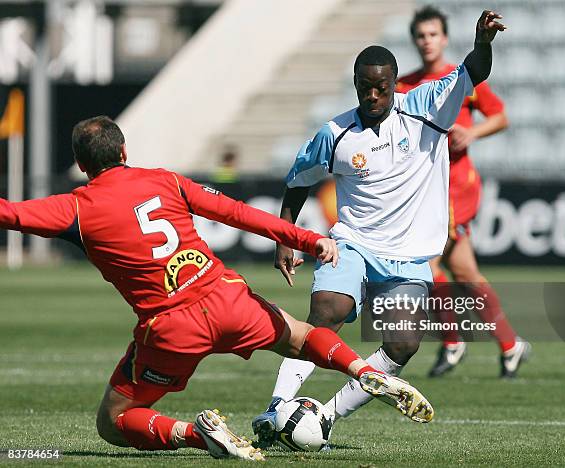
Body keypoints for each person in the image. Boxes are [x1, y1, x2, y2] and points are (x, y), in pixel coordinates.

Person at [0, 116, 437, 461]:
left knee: (114, 421)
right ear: (123, 150)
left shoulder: (73, 207)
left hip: (170, 329)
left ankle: (197, 434)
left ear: (81, 164)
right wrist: (307, 239)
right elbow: (236, 214)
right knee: (302, 336)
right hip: (227, 298)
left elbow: (11, 215)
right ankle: (364, 371)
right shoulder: (164, 180)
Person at [252, 10, 506, 446]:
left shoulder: (426, 107)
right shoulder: (335, 133)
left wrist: (483, 42)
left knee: (405, 343)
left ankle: (323, 418)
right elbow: (297, 183)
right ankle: (276, 407)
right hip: (351, 243)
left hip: (407, 255)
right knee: (326, 312)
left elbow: (473, 72)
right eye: (365, 87)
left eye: (381, 87)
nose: (373, 95)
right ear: (355, 83)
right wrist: (285, 238)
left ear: (393, 84)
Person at [396, 5, 530, 378]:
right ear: (414, 40)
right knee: (464, 271)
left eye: (433, 34)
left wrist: (472, 133)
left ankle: (453, 341)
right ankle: (510, 344)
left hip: (456, 186)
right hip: (426, 187)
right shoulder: (405, 84)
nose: (427, 41)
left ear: (445, 38)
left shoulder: (463, 77)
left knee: (428, 263)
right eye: (421, 35)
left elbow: (500, 116)